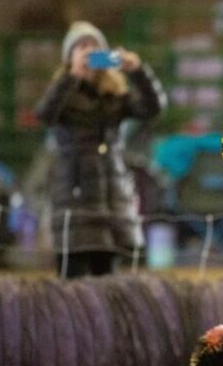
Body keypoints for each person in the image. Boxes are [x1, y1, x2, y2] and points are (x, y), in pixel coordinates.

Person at [36, 20, 166, 278]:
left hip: (111, 199)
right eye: (81, 46)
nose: (88, 51)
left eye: (94, 45)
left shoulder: (114, 94)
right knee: (71, 281)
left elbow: (153, 108)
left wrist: (138, 71)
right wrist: (72, 77)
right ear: (69, 55)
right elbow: (45, 114)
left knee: (107, 283)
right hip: (75, 197)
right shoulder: (62, 92)